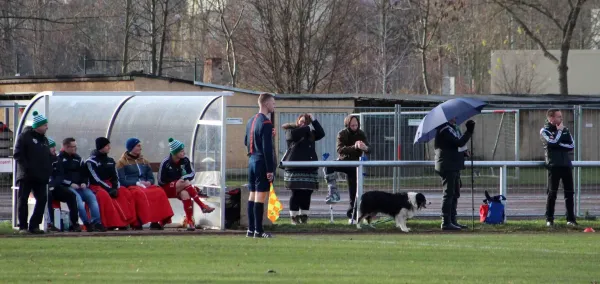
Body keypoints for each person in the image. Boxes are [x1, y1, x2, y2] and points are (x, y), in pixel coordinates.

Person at [158, 137, 215, 231]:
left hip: (182, 186)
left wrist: (183, 178)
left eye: (183, 151)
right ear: (175, 153)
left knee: (186, 193)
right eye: (181, 151)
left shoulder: (185, 160)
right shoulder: (166, 163)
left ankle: (189, 221)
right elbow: (160, 181)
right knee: (185, 182)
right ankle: (202, 206)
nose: (184, 153)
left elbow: (192, 173)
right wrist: (175, 182)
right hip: (167, 188)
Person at [117, 138, 174, 230]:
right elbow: (122, 180)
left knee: (159, 191)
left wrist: (149, 182)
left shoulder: (144, 161)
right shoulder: (121, 162)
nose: (140, 148)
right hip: (132, 186)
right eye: (138, 146)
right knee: (138, 194)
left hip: (145, 186)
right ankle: (137, 222)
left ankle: (156, 221)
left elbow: (151, 177)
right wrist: (137, 183)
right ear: (132, 147)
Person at [323, 115, 370, 224]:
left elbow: (369, 148)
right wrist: (355, 147)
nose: (355, 127)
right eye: (352, 125)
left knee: (354, 193)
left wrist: (365, 148)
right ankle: (333, 190)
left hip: (355, 165)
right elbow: (340, 149)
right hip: (343, 162)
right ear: (348, 125)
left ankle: (352, 217)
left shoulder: (361, 134)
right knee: (329, 165)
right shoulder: (342, 134)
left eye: (356, 125)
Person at [281, 113, 325, 225]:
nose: (303, 124)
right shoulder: (291, 131)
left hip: (309, 168)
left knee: (307, 193)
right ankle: (294, 217)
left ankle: (304, 216)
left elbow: (321, 133)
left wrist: (314, 120)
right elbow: (293, 136)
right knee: (296, 193)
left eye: (306, 122)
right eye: (301, 121)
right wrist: (306, 127)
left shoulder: (311, 134)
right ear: (297, 121)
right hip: (295, 168)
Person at [14, 111, 52, 234]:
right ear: (38, 126)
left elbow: (46, 157)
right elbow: (18, 154)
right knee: (23, 199)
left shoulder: (45, 140)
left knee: (42, 199)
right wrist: (26, 169)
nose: (47, 127)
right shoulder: (24, 136)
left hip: (40, 176)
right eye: (45, 124)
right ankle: (23, 227)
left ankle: (34, 225)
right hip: (27, 175)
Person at [434, 118, 475, 231]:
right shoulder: (445, 128)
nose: (456, 118)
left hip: (453, 165)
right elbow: (458, 142)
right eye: (453, 116)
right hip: (448, 165)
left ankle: (452, 220)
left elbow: (455, 146)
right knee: (449, 193)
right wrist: (469, 131)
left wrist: (463, 153)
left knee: (455, 193)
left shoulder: (452, 128)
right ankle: (446, 222)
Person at [244, 93, 276, 238]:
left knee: (252, 194)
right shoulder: (266, 122)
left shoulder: (250, 121)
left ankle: (250, 229)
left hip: (251, 160)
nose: (274, 106)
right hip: (261, 161)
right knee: (260, 196)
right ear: (266, 104)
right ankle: (259, 230)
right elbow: (267, 148)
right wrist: (270, 169)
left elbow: (246, 141)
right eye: (273, 103)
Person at [86, 137, 134, 230]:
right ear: (101, 147)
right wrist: (109, 189)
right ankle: (109, 223)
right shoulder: (91, 161)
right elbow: (96, 179)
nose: (109, 147)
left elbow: (115, 176)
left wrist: (115, 188)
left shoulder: (111, 160)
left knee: (123, 192)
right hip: (96, 186)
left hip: (110, 185)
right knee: (104, 195)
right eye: (107, 145)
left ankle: (125, 222)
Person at [59, 137, 106, 232]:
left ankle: (96, 222)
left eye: (75, 146)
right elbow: (59, 176)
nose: (75, 149)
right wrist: (70, 183)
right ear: (65, 147)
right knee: (78, 202)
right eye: (72, 147)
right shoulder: (59, 159)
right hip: (69, 187)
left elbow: (84, 173)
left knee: (92, 198)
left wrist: (84, 182)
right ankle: (86, 223)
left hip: (81, 186)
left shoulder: (78, 159)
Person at [540, 109, 577, 227]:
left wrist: (558, 144)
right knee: (552, 193)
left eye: (561, 117)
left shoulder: (565, 130)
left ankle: (571, 219)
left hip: (566, 165)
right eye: (558, 117)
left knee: (569, 193)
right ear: (551, 118)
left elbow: (571, 145)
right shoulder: (544, 130)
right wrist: (559, 134)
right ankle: (549, 219)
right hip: (553, 165)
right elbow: (551, 142)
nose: (561, 119)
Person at [46, 137, 82, 232]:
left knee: (71, 195)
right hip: (42, 187)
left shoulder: (57, 160)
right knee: (47, 196)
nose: (54, 149)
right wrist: (48, 186)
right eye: (51, 147)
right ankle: (51, 223)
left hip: (54, 187)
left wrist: (52, 185)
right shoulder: (40, 160)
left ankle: (74, 223)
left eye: (54, 147)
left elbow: (59, 176)